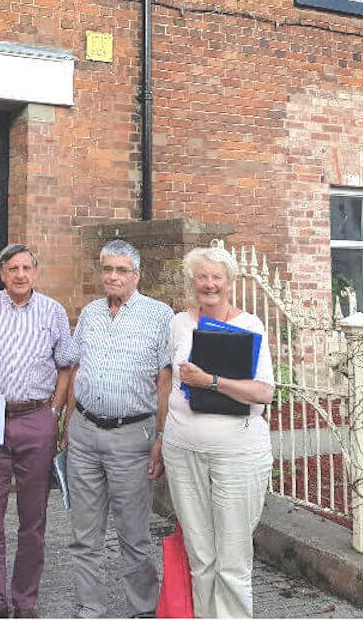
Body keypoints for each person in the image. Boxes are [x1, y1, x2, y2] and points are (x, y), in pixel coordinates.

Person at [0, 243, 77, 619]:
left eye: (26, 268)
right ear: (2, 274)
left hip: (35, 417)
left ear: (35, 272)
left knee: (33, 517)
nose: (20, 275)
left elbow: (66, 365)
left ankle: (25, 601)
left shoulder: (52, 312)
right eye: (13, 269)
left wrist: (54, 411)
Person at [62, 240, 174, 619]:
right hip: (83, 433)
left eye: (121, 270)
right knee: (84, 534)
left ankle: (142, 609)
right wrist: (66, 423)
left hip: (132, 436)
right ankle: (90, 607)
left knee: (134, 535)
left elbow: (164, 382)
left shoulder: (160, 316)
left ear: (136, 275)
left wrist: (160, 437)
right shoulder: (91, 313)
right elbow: (77, 368)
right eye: (107, 269)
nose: (112, 276)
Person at [162, 246, 274, 619]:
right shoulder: (179, 323)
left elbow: (263, 392)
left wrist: (210, 381)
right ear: (191, 282)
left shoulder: (249, 326)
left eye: (216, 277)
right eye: (201, 277)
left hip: (237, 454)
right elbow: (167, 381)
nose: (209, 284)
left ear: (229, 282)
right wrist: (160, 437)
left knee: (232, 559)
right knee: (200, 555)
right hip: (182, 450)